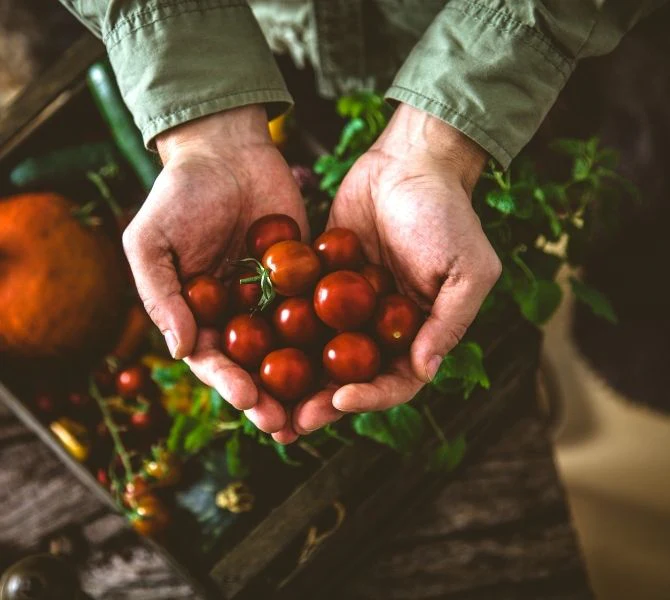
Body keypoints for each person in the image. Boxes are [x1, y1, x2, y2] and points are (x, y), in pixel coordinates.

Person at [59, 0, 660, 443]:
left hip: (575, 38)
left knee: (637, 208)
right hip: (267, 35)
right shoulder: (291, 287)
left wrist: (455, 119)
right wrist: (201, 119)